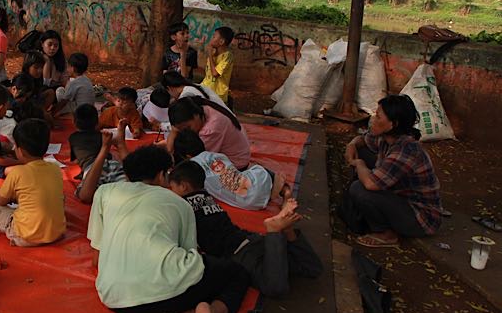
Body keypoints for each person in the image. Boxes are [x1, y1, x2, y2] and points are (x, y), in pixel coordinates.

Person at [87, 146, 250, 313]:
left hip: (114, 299)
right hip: (169, 298)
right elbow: (189, 259)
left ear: (128, 175)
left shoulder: (105, 192)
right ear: (162, 175)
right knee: (237, 273)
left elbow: (96, 257)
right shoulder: (179, 203)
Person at [168, 160, 322, 297]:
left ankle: (274, 231)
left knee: (275, 287)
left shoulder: (183, 207)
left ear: (183, 186)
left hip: (239, 253)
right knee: (312, 268)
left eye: (171, 187)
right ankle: (287, 232)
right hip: (253, 240)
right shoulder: (207, 197)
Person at [340, 95, 443, 248]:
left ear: (392, 124)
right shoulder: (386, 137)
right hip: (400, 198)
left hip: (420, 218)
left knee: (359, 189)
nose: (373, 119)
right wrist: (352, 144)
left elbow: (370, 184)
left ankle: (385, 234)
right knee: (362, 152)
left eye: (378, 116)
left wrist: (359, 164)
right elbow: (362, 140)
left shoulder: (406, 150)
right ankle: (373, 213)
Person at [0, 119, 66, 246]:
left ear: (20, 151)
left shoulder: (17, 172)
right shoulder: (56, 169)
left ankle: (15, 232)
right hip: (56, 233)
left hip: (25, 236)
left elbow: (1, 201)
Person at [173, 129, 280, 211]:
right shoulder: (218, 155)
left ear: (187, 156)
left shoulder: (192, 172)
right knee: (256, 170)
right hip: (257, 187)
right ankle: (278, 187)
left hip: (250, 202)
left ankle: (273, 188)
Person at [167, 96, 251, 171]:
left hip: (236, 164)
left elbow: (199, 161)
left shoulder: (211, 129)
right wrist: (169, 151)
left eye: (188, 127)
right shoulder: (200, 108)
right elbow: (175, 130)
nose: (187, 132)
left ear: (196, 115)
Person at [71, 108, 127, 204]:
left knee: (85, 194)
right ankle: (120, 143)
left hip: (92, 167)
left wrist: (104, 148)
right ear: (97, 123)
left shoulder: (73, 138)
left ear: (74, 122)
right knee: (131, 184)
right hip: (112, 164)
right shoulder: (101, 135)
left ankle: (117, 144)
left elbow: (75, 160)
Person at [201, 27, 235, 104]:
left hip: (217, 95)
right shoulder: (214, 54)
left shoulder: (227, 56)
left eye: (214, 37)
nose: (211, 39)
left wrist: (209, 54)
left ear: (221, 42)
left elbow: (215, 74)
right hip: (206, 89)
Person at [162, 71, 226, 108]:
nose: (172, 97)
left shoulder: (186, 95)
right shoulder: (194, 86)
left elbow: (184, 121)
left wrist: (161, 125)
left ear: (169, 88)